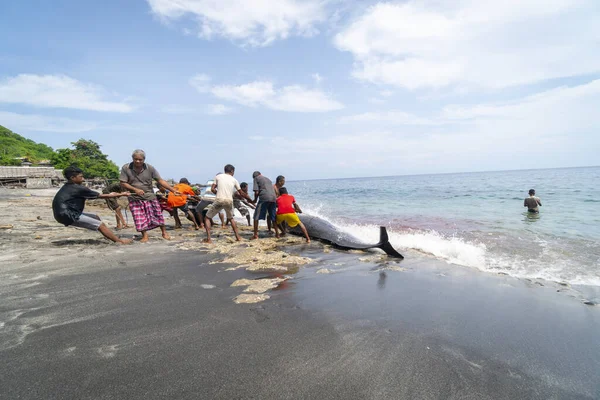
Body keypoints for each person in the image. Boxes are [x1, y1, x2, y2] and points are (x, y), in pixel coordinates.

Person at [52, 166, 132, 244]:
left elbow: (93, 195)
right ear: (73, 178)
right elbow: (99, 196)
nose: (83, 179)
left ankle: (107, 235)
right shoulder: (78, 188)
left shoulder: (68, 186)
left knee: (95, 217)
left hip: (62, 214)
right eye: (81, 177)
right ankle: (119, 241)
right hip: (68, 215)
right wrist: (119, 194)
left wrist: (113, 194)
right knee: (101, 225)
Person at [119, 149, 180, 242]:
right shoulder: (126, 168)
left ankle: (164, 232)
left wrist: (173, 190)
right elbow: (123, 183)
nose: (138, 161)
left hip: (150, 196)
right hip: (134, 198)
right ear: (132, 158)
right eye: (136, 159)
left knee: (158, 215)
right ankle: (145, 236)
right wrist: (135, 189)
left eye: (140, 159)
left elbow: (160, 180)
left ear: (144, 159)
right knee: (138, 217)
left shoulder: (150, 168)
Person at [203, 164, 254, 243]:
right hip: (229, 201)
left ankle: (209, 239)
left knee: (207, 218)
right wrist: (251, 200)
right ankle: (238, 237)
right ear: (232, 171)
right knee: (231, 218)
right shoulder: (234, 180)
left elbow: (212, 189)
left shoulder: (218, 177)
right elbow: (242, 193)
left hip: (219, 200)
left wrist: (218, 193)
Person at [251, 171, 278, 239]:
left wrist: (255, 200)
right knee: (273, 216)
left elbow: (256, 192)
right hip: (273, 198)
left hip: (264, 197)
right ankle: (277, 234)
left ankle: (255, 235)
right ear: (261, 174)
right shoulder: (268, 179)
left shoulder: (256, 178)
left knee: (256, 216)